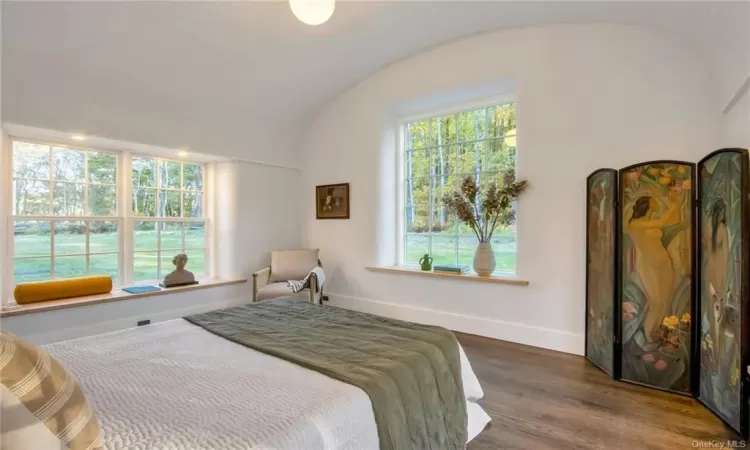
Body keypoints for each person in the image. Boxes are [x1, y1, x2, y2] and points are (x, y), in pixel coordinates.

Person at [627, 190, 682, 340]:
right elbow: (663, 222)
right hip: (648, 265)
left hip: (663, 262)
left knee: (667, 298)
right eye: (654, 201)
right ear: (648, 205)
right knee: (656, 301)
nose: (657, 202)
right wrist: (667, 202)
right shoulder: (635, 224)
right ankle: (648, 336)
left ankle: (657, 331)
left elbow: (676, 219)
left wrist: (673, 203)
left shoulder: (651, 221)